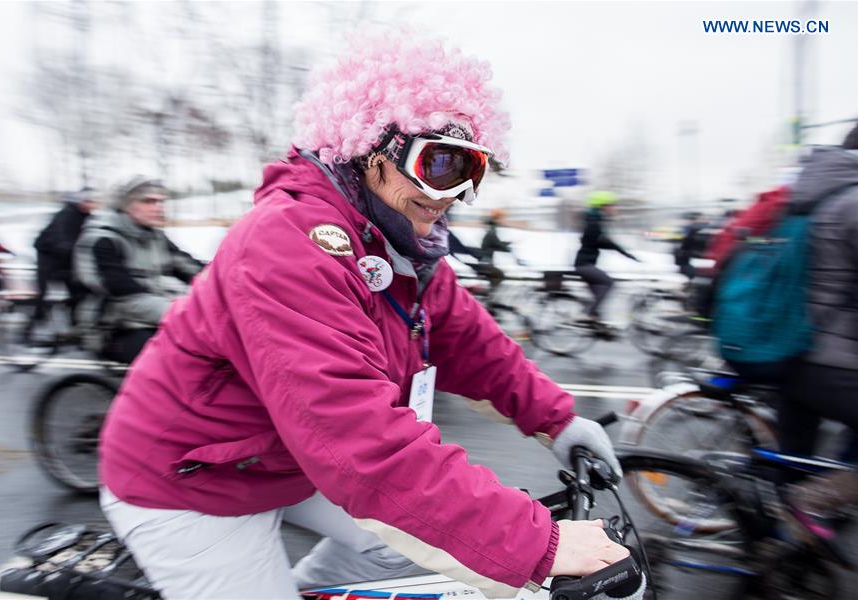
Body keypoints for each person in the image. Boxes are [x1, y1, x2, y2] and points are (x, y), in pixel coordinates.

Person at [97, 30, 628, 600]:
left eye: (471, 170)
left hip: (286, 459)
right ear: (370, 147)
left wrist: (556, 419)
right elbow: (360, 443)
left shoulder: (397, 244)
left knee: (405, 558)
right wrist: (541, 547)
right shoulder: (285, 244)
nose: (452, 193)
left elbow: (471, 341)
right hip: (191, 481)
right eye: (439, 162)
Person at [779, 124, 858, 515]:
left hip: (789, 349)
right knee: (808, 491)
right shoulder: (853, 201)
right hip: (834, 358)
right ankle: (812, 507)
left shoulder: (808, 196)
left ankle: (780, 548)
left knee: (795, 465)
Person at [73, 176, 203, 364]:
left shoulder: (155, 236)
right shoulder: (103, 239)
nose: (158, 207)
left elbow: (190, 268)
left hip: (151, 318)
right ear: (127, 205)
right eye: (148, 201)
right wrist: (183, 312)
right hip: (112, 327)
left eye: (161, 201)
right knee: (173, 360)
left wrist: (226, 284)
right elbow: (124, 294)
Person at [31, 188, 100, 329]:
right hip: (48, 256)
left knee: (77, 291)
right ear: (80, 202)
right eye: (89, 201)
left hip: (65, 259)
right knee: (45, 293)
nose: (93, 205)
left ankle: (74, 322)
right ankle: (34, 326)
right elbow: (62, 240)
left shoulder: (85, 216)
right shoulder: (67, 215)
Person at [573, 191, 639, 324]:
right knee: (609, 283)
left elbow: (602, 241)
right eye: (611, 205)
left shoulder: (595, 221)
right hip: (584, 265)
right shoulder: (593, 223)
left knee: (599, 295)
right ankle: (588, 315)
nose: (614, 208)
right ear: (601, 207)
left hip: (587, 264)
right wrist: (625, 253)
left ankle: (595, 322)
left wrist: (623, 252)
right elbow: (601, 241)